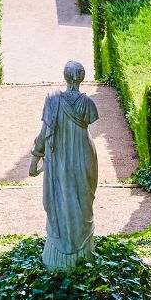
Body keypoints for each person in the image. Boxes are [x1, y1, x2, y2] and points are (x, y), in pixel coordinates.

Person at [29, 61, 99, 271]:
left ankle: (60, 259)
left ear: (65, 76)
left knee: (61, 200)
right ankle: (80, 257)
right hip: (83, 156)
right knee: (82, 203)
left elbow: (44, 132)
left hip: (59, 157)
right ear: (82, 78)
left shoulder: (53, 100)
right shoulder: (88, 104)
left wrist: (35, 157)